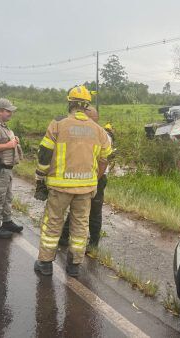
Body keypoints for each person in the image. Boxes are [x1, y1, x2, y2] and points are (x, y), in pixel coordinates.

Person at [33, 85, 112, 277]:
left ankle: (45, 263)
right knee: (80, 225)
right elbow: (105, 158)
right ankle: (74, 265)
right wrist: (94, 179)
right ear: (86, 105)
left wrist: (40, 178)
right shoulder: (98, 130)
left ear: (70, 103)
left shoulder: (58, 124)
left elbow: (44, 154)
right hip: (85, 188)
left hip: (60, 187)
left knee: (53, 223)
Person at [59, 106, 112, 251]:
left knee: (94, 211)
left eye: (93, 119)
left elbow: (104, 162)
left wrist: (94, 181)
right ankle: (63, 237)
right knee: (77, 208)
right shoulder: (79, 132)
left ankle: (93, 243)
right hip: (80, 177)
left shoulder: (102, 135)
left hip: (96, 178)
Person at [0, 98, 24, 239]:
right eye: (8, 111)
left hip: (7, 169)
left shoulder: (3, 127)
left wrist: (13, 141)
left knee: (7, 197)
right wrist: (10, 145)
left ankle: (6, 221)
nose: (10, 113)